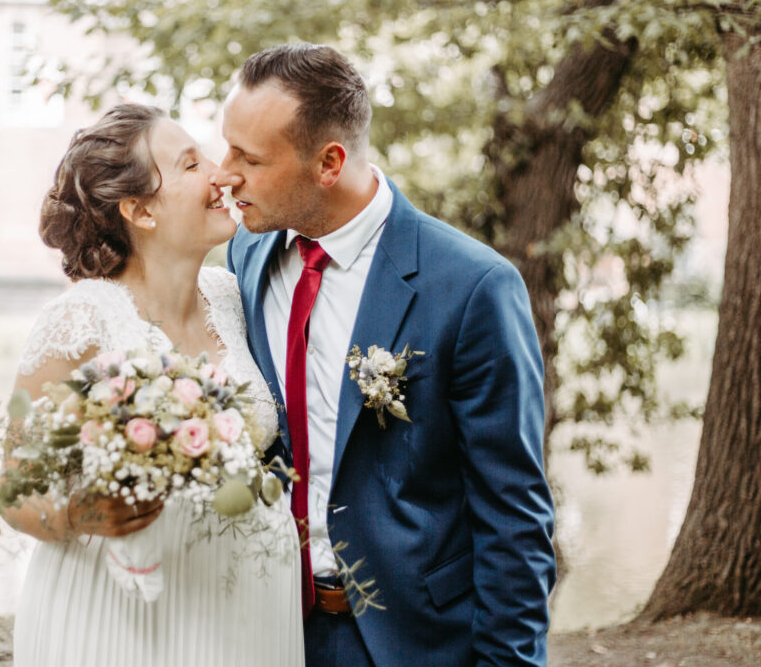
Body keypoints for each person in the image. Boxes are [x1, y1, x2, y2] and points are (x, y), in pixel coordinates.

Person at [214, 43, 556, 667]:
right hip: (269, 631)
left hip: (414, 640)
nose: (224, 172)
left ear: (329, 162)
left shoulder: (472, 287)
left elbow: (514, 512)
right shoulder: (246, 256)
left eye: (249, 158)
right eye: (226, 147)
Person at [5, 103, 304, 667]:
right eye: (191, 166)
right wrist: (80, 514)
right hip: (119, 613)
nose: (220, 172)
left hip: (241, 610)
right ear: (141, 210)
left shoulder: (233, 297)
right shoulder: (80, 320)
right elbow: (16, 489)